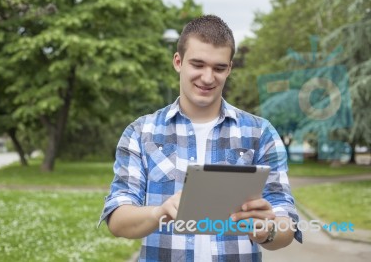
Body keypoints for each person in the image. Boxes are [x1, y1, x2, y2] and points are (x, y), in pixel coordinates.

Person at [98, 15, 302, 261]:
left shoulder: (260, 132)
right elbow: (117, 219)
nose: (208, 78)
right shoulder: (141, 132)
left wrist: (266, 231)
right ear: (178, 62)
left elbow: (286, 224)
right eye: (198, 64)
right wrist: (159, 213)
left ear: (230, 69)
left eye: (218, 68)